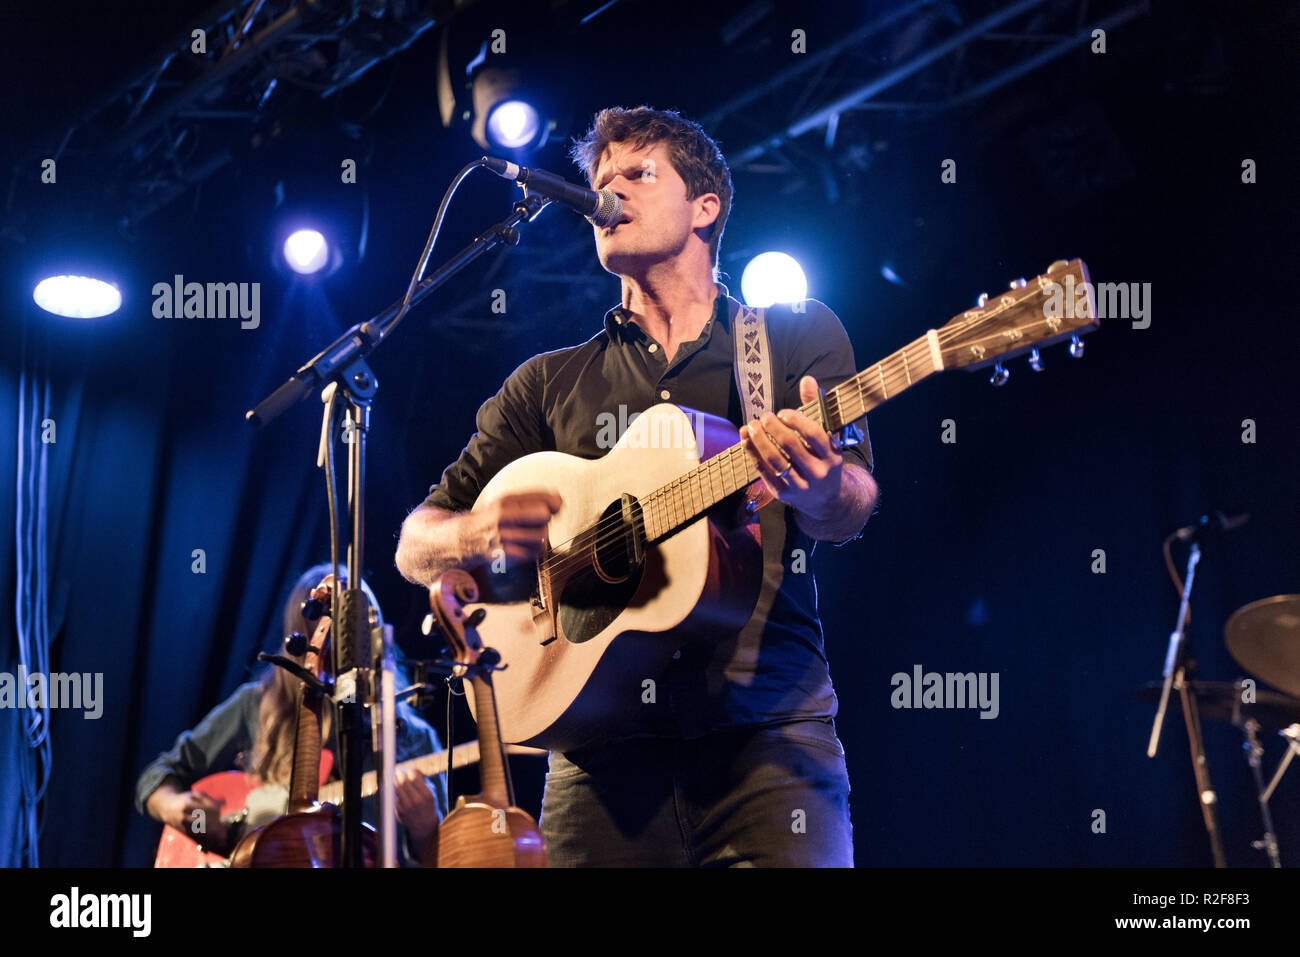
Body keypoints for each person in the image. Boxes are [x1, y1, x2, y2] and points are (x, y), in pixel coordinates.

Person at [395, 106, 878, 867]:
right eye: (600, 180)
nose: (609, 190)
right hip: (597, 760)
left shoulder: (787, 337)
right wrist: (472, 535)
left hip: (768, 739)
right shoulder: (546, 383)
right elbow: (414, 541)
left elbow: (850, 502)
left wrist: (818, 488)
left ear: (706, 206)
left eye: (638, 173)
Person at [136, 563, 447, 866]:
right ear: (303, 639)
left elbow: (445, 862)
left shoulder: (414, 738)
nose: (338, 652)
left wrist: (426, 829)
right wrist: (172, 805)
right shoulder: (256, 704)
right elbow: (158, 774)